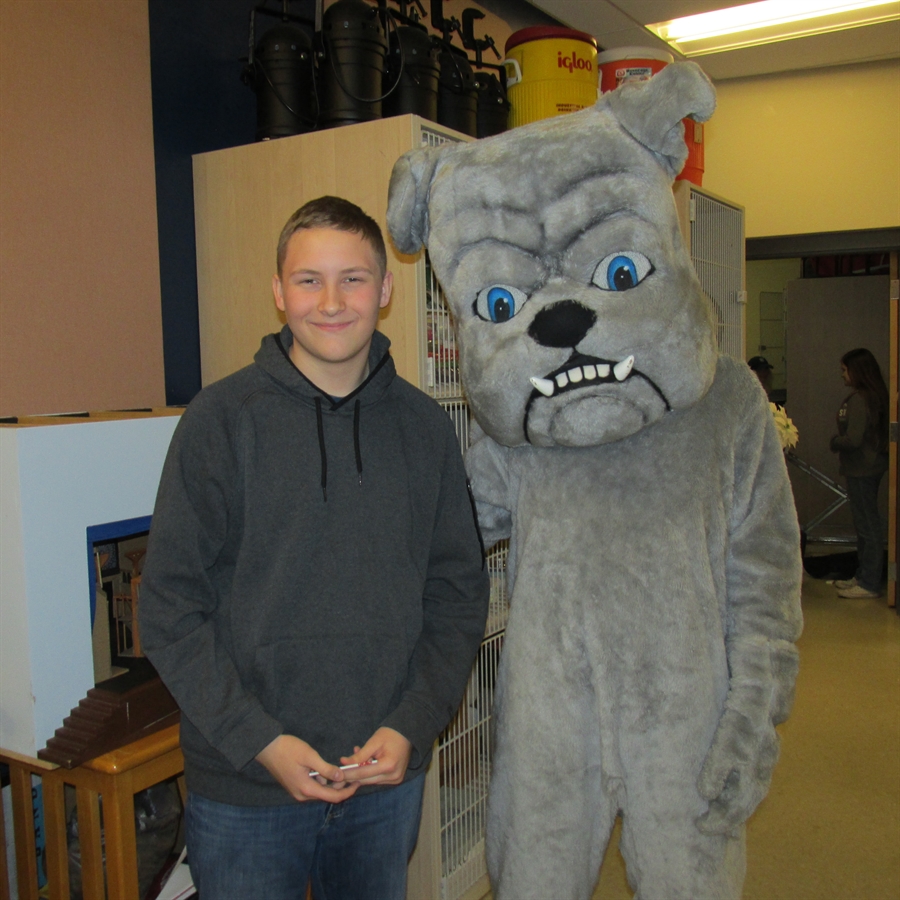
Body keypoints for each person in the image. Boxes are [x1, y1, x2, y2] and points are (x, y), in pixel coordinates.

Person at [139, 196, 490, 900]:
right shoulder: (220, 421)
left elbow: (456, 595)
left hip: (382, 780)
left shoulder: (425, 430)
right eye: (308, 280)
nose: (331, 301)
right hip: (244, 786)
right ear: (278, 291)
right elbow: (169, 609)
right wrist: (261, 741)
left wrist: (413, 724)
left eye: (354, 278)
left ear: (386, 291)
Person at [829, 347, 889, 599]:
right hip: (869, 467)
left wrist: (834, 441)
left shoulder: (860, 400)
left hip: (862, 469)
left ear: (857, 371)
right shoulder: (873, 397)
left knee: (867, 526)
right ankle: (864, 574)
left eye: (845, 370)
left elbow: (852, 439)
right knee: (866, 524)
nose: (842, 376)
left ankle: (869, 582)